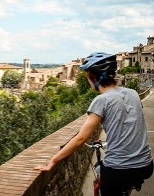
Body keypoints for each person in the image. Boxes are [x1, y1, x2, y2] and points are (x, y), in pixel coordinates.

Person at [34, 52, 153, 195]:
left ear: (92, 77)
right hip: (146, 165)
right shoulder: (133, 93)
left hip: (119, 169)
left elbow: (81, 139)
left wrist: (53, 160)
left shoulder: (101, 100)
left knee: (111, 182)